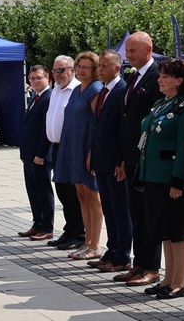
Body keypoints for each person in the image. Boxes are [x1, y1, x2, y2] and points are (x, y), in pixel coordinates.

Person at [137, 58, 184, 299]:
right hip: (155, 177)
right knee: (164, 231)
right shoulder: (162, 104)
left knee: (179, 231)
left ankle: (180, 283)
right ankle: (168, 278)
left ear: (179, 80)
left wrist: (178, 181)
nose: (160, 80)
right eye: (160, 76)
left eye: (165, 76)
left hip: (173, 179)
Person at [116, 32, 163, 286]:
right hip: (132, 158)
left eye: (133, 50)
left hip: (148, 160)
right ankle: (140, 262)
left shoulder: (157, 76)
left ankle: (152, 267)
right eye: (127, 51)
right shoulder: (134, 76)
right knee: (136, 213)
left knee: (149, 215)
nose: (129, 55)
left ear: (149, 49)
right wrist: (124, 157)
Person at [55, 51, 103, 260]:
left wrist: (92, 152)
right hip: (73, 147)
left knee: (93, 197)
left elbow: (97, 124)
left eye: (86, 67)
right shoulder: (76, 91)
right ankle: (87, 242)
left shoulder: (95, 89)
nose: (82, 70)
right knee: (81, 196)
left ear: (95, 70)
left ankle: (95, 244)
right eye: (80, 66)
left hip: (86, 148)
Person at [88, 50, 131, 273]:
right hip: (101, 160)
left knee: (120, 209)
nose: (100, 69)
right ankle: (112, 250)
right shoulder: (104, 91)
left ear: (117, 68)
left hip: (115, 161)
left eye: (104, 66)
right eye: (99, 66)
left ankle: (123, 254)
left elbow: (122, 130)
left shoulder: (122, 90)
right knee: (109, 208)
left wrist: (120, 160)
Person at [44, 56, 84, 252]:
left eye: (62, 70)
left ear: (72, 70)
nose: (57, 74)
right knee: (62, 191)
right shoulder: (55, 91)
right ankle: (69, 230)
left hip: (71, 148)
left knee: (72, 193)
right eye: (55, 70)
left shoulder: (77, 90)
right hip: (57, 147)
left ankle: (79, 233)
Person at [18, 65, 55, 241]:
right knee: (32, 191)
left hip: (40, 155)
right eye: (32, 78)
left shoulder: (49, 97)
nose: (34, 81)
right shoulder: (35, 97)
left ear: (48, 78)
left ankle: (47, 226)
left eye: (38, 78)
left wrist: (41, 154)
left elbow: (45, 130)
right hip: (29, 154)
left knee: (43, 190)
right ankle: (37, 223)